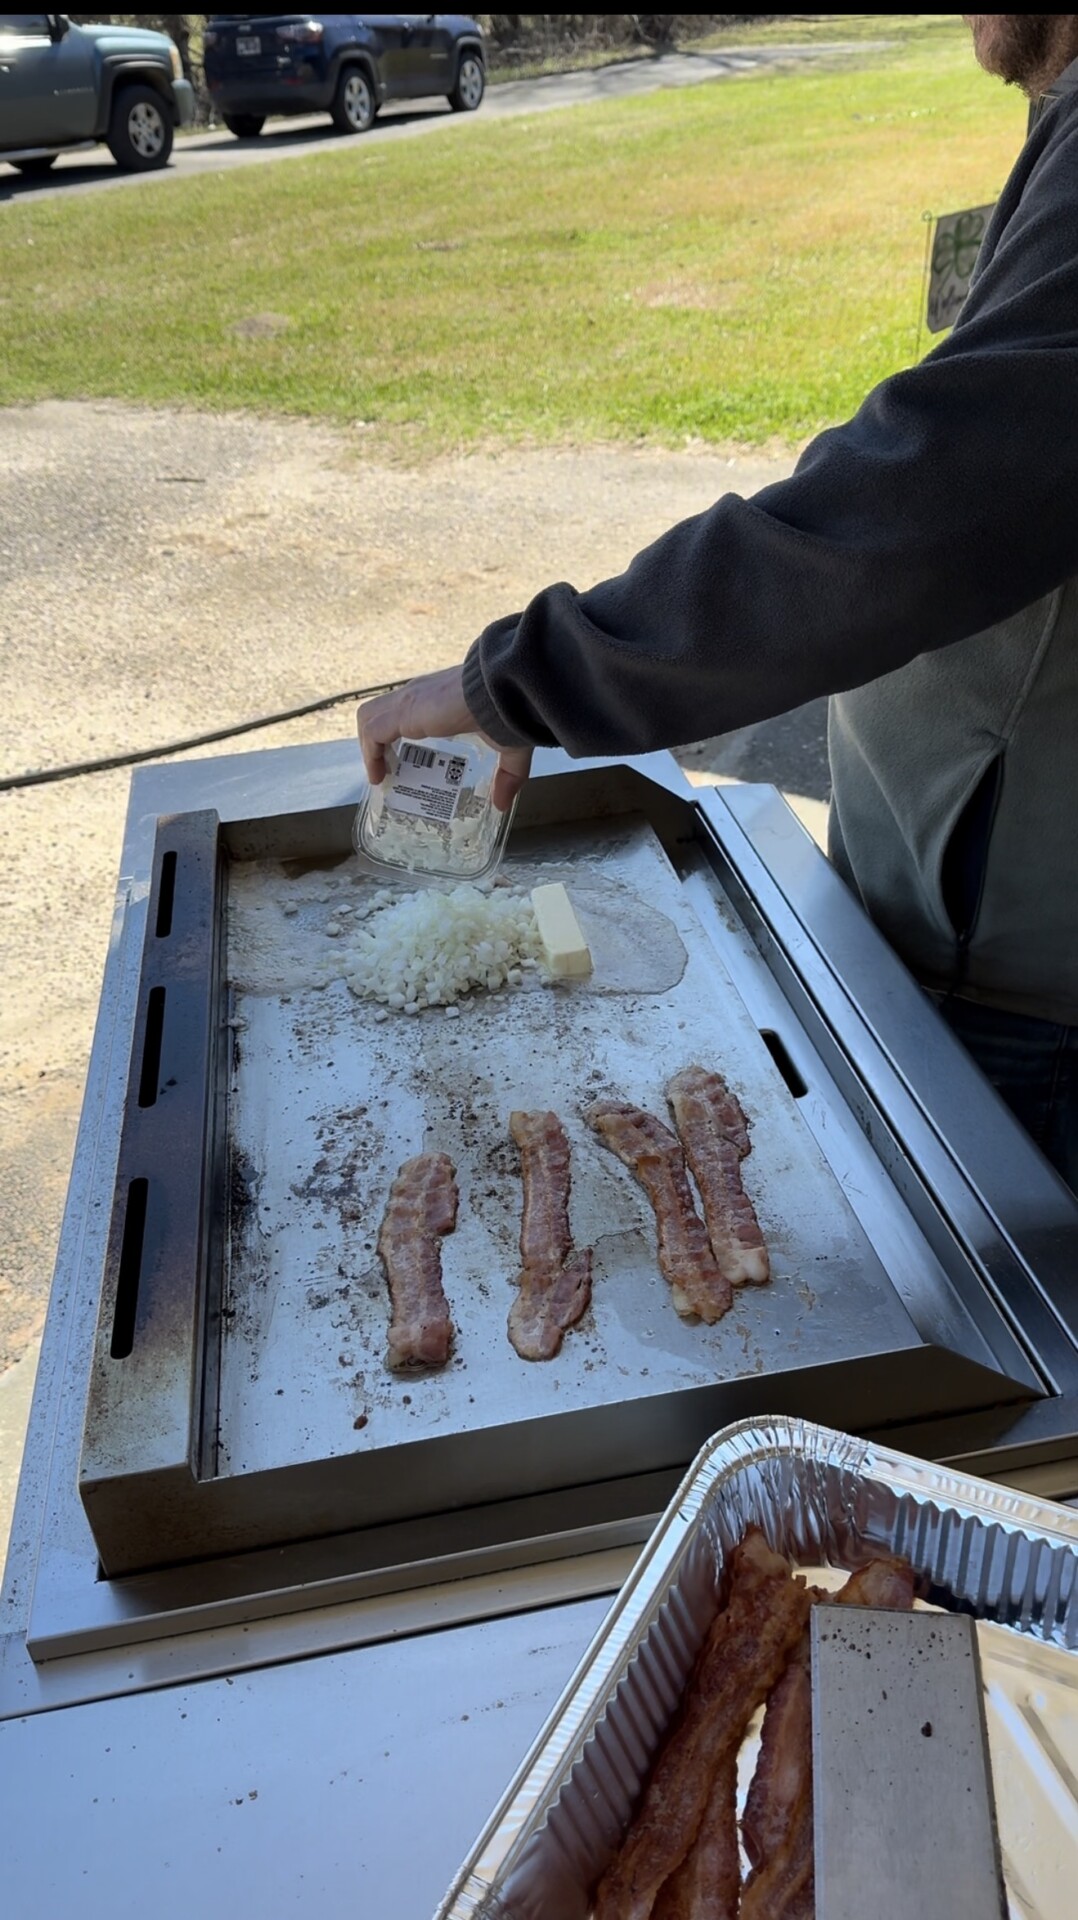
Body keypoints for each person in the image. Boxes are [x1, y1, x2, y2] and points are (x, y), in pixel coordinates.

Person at [359, 15, 1078, 1190]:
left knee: (1013, 1345)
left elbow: (914, 511)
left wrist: (530, 679)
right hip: (961, 941)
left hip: (1021, 999)